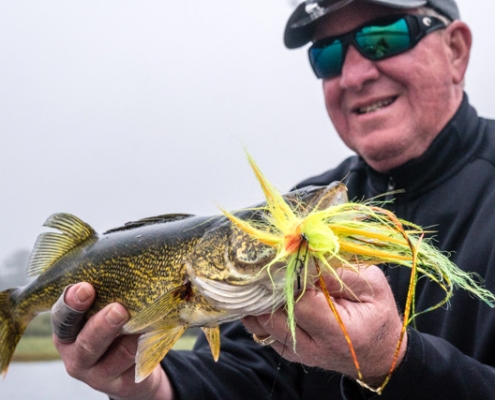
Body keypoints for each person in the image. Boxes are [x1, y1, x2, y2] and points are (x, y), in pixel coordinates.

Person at [51, 0, 495, 399]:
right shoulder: (295, 213)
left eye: (383, 37)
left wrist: (398, 362)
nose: (355, 74)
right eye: (328, 55)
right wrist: (155, 387)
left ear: (455, 50)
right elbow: (260, 376)